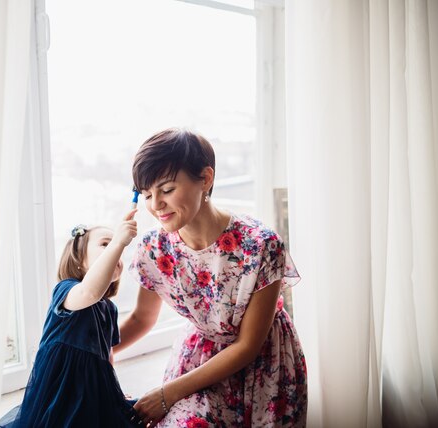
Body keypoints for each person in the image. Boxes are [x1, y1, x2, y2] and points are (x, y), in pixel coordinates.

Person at [115, 128, 307, 427]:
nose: (155, 205)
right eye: (147, 194)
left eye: (166, 190)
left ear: (205, 179)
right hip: (197, 361)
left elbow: (247, 346)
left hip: (265, 366)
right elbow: (141, 319)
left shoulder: (260, 245)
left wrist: (167, 393)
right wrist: (91, 351)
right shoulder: (154, 248)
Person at [7, 211, 142, 427]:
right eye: (105, 244)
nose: (116, 250)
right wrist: (118, 242)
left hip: (93, 386)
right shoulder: (67, 290)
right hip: (61, 387)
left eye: (117, 248)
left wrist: (113, 391)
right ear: (79, 260)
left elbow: (107, 354)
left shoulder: (109, 308)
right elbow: (90, 293)